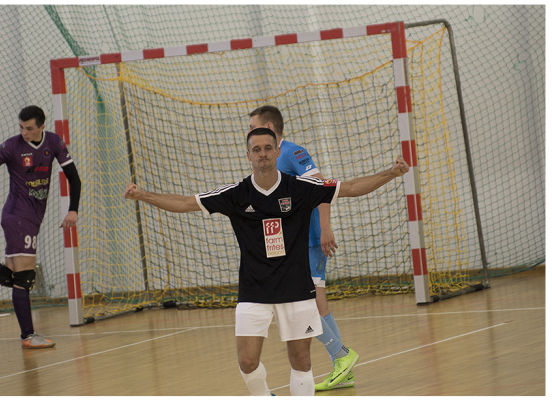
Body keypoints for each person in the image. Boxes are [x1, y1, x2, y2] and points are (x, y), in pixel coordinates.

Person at [124, 127, 409, 395]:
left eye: (268, 148)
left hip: (296, 288)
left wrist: (391, 173)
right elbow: (186, 203)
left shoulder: (301, 187)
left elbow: (350, 187)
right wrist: (142, 195)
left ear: (277, 152)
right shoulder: (236, 194)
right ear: (248, 155)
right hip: (254, 291)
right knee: (247, 362)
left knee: (301, 360)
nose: (262, 154)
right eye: (256, 149)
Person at [248, 105, 356, 391]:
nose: (249, 132)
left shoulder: (292, 152)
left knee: (304, 301)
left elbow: (321, 186)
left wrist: (325, 229)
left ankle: (342, 356)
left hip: (310, 240)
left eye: (252, 126)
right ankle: (343, 364)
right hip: (296, 243)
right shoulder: (271, 157)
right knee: (315, 301)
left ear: (269, 128)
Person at [0, 105, 81, 349]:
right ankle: (28, 336)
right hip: (17, 215)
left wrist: (73, 209)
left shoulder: (54, 142)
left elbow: (74, 178)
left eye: (29, 128)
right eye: (21, 127)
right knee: (24, 277)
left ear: (42, 127)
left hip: (33, 216)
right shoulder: (11, 146)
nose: (24, 132)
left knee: (11, 275)